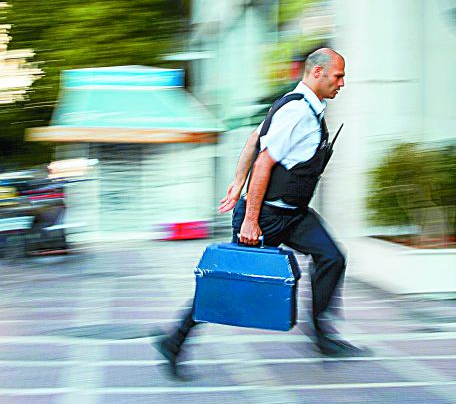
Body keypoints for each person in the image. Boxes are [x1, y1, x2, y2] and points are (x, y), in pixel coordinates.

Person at [155, 48, 366, 380]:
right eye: (338, 75)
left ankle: (323, 336)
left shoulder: (304, 108)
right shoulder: (297, 111)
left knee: (332, 257)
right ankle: (174, 342)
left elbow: (255, 139)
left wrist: (237, 183)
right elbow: (264, 161)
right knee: (229, 284)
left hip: (294, 214)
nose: (342, 82)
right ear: (317, 73)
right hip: (265, 216)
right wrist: (250, 218)